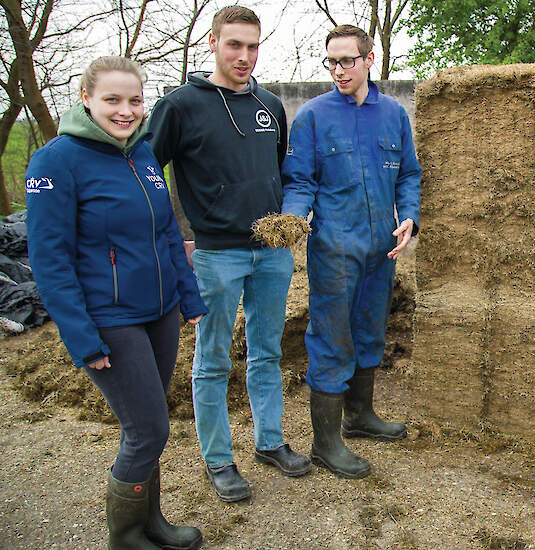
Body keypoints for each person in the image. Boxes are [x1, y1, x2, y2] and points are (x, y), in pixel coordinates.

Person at [26, 56, 208, 550]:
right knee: (147, 429)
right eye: (112, 100)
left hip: (160, 312)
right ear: (86, 99)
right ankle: (125, 536)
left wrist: (187, 296)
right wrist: (82, 337)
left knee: (153, 424)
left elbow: (167, 231)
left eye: (134, 100)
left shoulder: (142, 154)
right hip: (109, 320)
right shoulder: (56, 161)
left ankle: (152, 522)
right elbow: (50, 262)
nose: (125, 111)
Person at [148, 5, 311, 503]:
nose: (244, 56)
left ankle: (269, 442)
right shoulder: (179, 105)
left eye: (253, 46)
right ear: (214, 43)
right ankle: (218, 459)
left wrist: (290, 216)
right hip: (216, 255)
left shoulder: (269, 104)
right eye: (234, 44)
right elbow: (148, 175)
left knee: (267, 351)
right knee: (213, 358)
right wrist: (175, 238)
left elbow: (279, 171)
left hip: (271, 252)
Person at [280, 24, 421, 479]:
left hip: (381, 247)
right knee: (332, 338)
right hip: (334, 248)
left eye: (346, 61)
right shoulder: (313, 117)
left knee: (369, 331)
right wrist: (294, 217)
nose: (338, 70)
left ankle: (360, 416)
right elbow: (299, 180)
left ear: (369, 60)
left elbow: (408, 174)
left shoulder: (394, 114)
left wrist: (410, 217)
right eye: (331, 62)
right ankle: (325, 442)